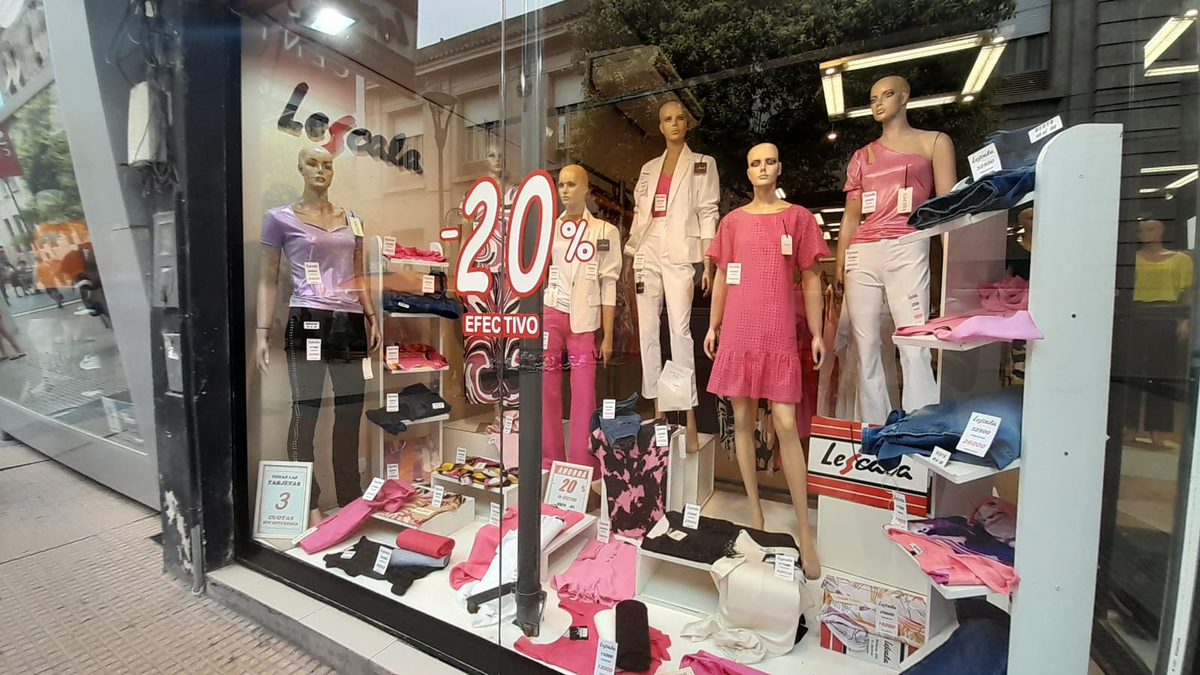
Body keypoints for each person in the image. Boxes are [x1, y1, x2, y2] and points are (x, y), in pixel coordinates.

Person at [1125, 218, 1193, 448]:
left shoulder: (1180, 260)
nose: (1145, 233)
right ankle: (1129, 426)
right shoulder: (1131, 259)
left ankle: (1158, 429)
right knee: (1131, 371)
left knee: (1161, 372)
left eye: (1151, 229)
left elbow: (1187, 293)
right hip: (1134, 314)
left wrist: (1185, 320)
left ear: (1162, 231)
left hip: (1166, 315)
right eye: (1141, 230)